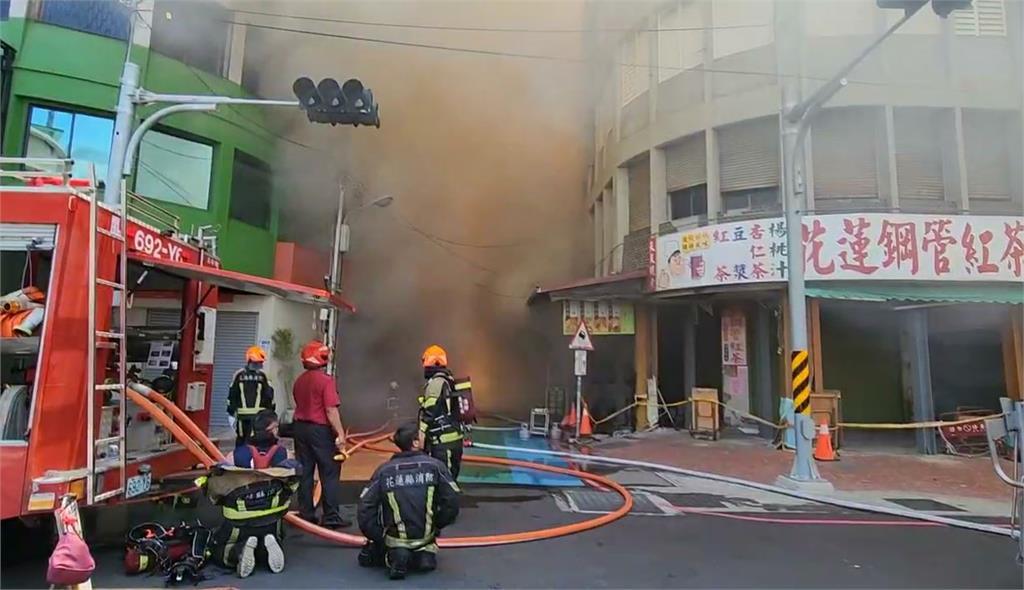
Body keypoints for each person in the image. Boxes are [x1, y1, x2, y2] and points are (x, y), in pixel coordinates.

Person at [357, 422, 460, 580]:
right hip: (425, 536)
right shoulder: (435, 467)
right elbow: (452, 501)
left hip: (394, 538)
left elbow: (365, 507)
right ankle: (423, 555)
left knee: (374, 553)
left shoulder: (384, 471)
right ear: (415, 442)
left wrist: (379, 536)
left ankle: (396, 556)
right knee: (425, 553)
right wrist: (436, 525)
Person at [207, 410, 299, 579]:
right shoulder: (285, 455)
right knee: (272, 536)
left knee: (219, 553)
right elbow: (293, 485)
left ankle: (240, 550)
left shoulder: (234, 455)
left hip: (239, 521)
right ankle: (268, 543)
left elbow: (217, 487)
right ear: (272, 430)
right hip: (272, 518)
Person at [291, 340, 349, 528]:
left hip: (300, 429)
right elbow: (331, 410)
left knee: (305, 472)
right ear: (322, 358)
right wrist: (340, 435)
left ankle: (306, 514)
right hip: (320, 431)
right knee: (330, 472)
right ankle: (331, 516)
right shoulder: (326, 381)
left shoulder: (299, 381)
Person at [419, 345, 465, 480]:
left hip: (443, 442)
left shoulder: (436, 383)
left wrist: (421, 433)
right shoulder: (448, 380)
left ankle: (447, 501)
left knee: (444, 478)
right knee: (450, 476)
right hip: (453, 438)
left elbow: (430, 410)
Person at [227, 346, 275, 447]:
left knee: (242, 441)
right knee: (257, 443)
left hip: (243, 418)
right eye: (259, 362)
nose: (260, 365)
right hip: (259, 419)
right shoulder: (264, 376)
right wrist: (271, 414)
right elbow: (270, 396)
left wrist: (231, 412)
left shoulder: (238, 375)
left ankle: (240, 460)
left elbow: (232, 395)